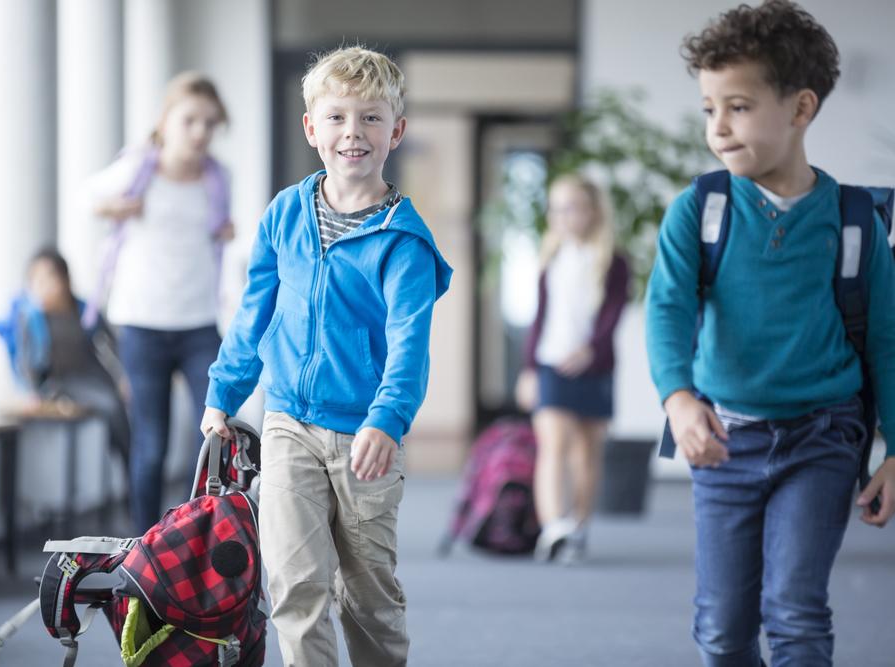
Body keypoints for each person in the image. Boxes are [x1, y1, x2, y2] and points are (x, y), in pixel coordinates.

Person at [645, 1, 895, 664]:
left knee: (796, 613)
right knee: (723, 630)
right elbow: (666, 309)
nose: (719, 128)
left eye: (738, 106)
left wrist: (894, 448)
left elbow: (887, 340)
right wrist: (678, 396)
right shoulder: (700, 211)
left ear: (800, 108)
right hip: (726, 441)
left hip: (823, 439)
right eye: (709, 109)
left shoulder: (854, 221)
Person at [200, 46, 452, 667]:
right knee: (294, 583)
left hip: (365, 436)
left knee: (367, 598)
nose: (353, 133)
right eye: (337, 117)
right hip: (288, 423)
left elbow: (409, 347)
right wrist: (222, 395)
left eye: (370, 118)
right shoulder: (285, 213)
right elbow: (254, 312)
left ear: (396, 131)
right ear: (312, 128)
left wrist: (386, 420)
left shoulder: (405, 242)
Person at [85, 72, 233, 535]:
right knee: (150, 445)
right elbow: (89, 196)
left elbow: (219, 232)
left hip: (199, 324)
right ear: (165, 121)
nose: (200, 132)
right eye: (190, 120)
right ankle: (143, 546)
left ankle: (195, 542)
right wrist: (115, 207)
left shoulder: (217, 178)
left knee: (210, 437)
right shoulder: (138, 168)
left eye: (210, 123)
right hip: (142, 323)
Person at [514, 174, 628, 564]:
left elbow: (613, 315)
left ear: (593, 211)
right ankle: (553, 528)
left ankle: (578, 526)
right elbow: (539, 318)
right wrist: (529, 369)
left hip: (594, 368)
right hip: (551, 365)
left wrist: (590, 352)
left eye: (572, 207)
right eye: (557, 208)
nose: (563, 216)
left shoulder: (613, 261)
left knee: (586, 452)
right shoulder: (551, 259)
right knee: (554, 445)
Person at [0, 247, 130, 470]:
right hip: (60, 384)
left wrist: (125, 376)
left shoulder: (83, 310)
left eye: (48, 277)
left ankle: (128, 467)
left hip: (94, 377)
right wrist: (31, 391)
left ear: (64, 279)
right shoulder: (31, 317)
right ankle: (128, 465)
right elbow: (24, 360)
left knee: (115, 405)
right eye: (35, 279)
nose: (42, 286)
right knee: (110, 405)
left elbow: (112, 342)